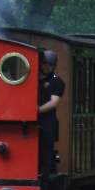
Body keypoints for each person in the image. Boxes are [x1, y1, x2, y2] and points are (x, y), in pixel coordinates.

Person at [36, 49, 64, 178]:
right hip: (33, 119)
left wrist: (37, 110)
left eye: (49, 65)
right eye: (44, 64)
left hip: (47, 120)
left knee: (46, 149)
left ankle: (45, 174)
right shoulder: (35, 78)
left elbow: (54, 102)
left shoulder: (56, 81)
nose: (46, 67)